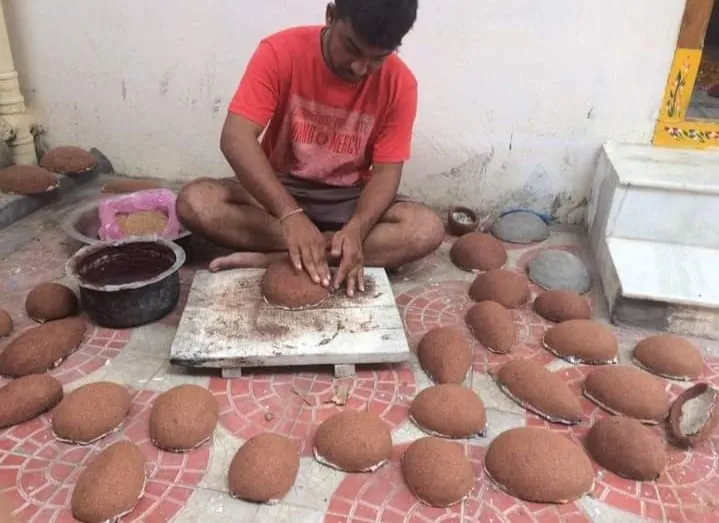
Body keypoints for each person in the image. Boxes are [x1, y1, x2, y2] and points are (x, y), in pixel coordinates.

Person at [177, 0, 444, 297]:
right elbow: (235, 138)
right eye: (352, 48)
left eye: (377, 58)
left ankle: (278, 257)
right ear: (331, 15)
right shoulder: (280, 51)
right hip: (279, 190)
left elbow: (385, 173)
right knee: (196, 202)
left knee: (425, 229)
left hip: (348, 200)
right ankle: (326, 251)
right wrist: (289, 214)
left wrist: (357, 228)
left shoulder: (400, 83)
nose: (360, 68)